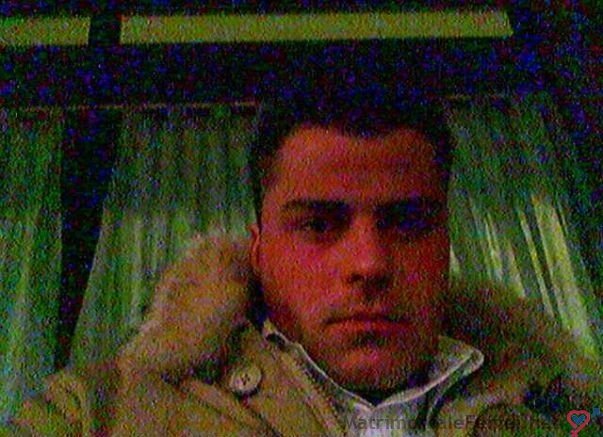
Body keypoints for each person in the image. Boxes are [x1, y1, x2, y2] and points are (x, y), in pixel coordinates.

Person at [6, 84, 601, 436]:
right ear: (258, 252)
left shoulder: (564, 412)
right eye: (319, 225)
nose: (369, 263)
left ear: (445, 245)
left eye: (406, 222)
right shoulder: (99, 415)